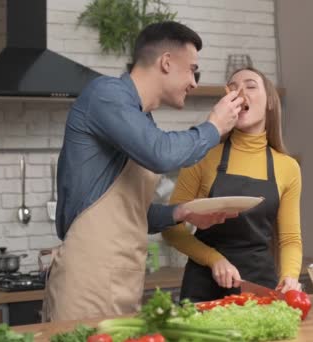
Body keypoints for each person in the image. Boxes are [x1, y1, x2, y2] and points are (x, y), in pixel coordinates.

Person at [43, 21, 245, 321]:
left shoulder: (142, 120)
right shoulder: (106, 94)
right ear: (166, 63)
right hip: (89, 276)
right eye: (192, 70)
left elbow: (129, 211)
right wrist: (214, 126)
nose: (194, 82)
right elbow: (160, 153)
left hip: (122, 276)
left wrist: (181, 213)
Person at [162, 67, 303, 303]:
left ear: (270, 102)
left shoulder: (287, 167)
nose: (240, 92)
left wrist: (289, 277)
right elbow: (172, 228)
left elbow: (290, 240)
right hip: (204, 284)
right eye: (233, 87)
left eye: (250, 86)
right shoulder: (202, 156)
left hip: (259, 284)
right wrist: (213, 259)